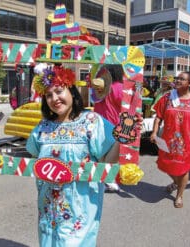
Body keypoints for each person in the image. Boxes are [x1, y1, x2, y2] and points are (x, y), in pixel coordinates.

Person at [26, 64, 119, 246]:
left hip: (80, 207)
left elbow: (108, 162)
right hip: (48, 206)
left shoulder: (92, 122)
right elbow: (33, 158)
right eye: (49, 95)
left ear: (72, 92)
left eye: (59, 91)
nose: (55, 99)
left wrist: (123, 140)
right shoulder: (43, 127)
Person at [150, 71, 190, 208]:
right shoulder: (168, 97)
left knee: (183, 169)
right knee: (165, 164)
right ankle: (177, 183)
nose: (178, 80)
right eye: (177, 78)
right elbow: (158, 116)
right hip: (168, 140)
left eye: (182, 79)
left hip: (188, 141)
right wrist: (154, 132)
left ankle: (179, 195)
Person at [91, 64, 124, 192]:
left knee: (101, 154)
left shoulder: (99, 87)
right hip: (112, 124)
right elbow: (126, 107)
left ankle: (101, 179)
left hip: (97, 123)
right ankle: (108, 179)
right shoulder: (119, 88)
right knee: (113, 155)